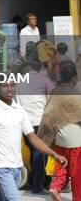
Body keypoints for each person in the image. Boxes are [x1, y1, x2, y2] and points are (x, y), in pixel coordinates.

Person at [0, 80, 67, 201]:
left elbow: (33, 138)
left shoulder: (19, 110)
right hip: (1, 167)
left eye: (12, 85)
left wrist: (54, 154)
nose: (10, 89)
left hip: (17, 167)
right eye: (5, 86)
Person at [38, 61, 81, 201]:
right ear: (74, 78)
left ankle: (55, 187)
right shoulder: (76, 94)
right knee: (77, 175)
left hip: (59, 139)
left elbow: (48, 115)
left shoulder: (54, 93)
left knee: (61, 167)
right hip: (76, 141)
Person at [16, 59, 55, 193]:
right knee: (39, 154)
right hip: (40, 121)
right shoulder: (43, 79)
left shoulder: (19, 81)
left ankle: (35, 181)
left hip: (25, 123)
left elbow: (16, 101)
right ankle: (38, 185)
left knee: (33, 152)